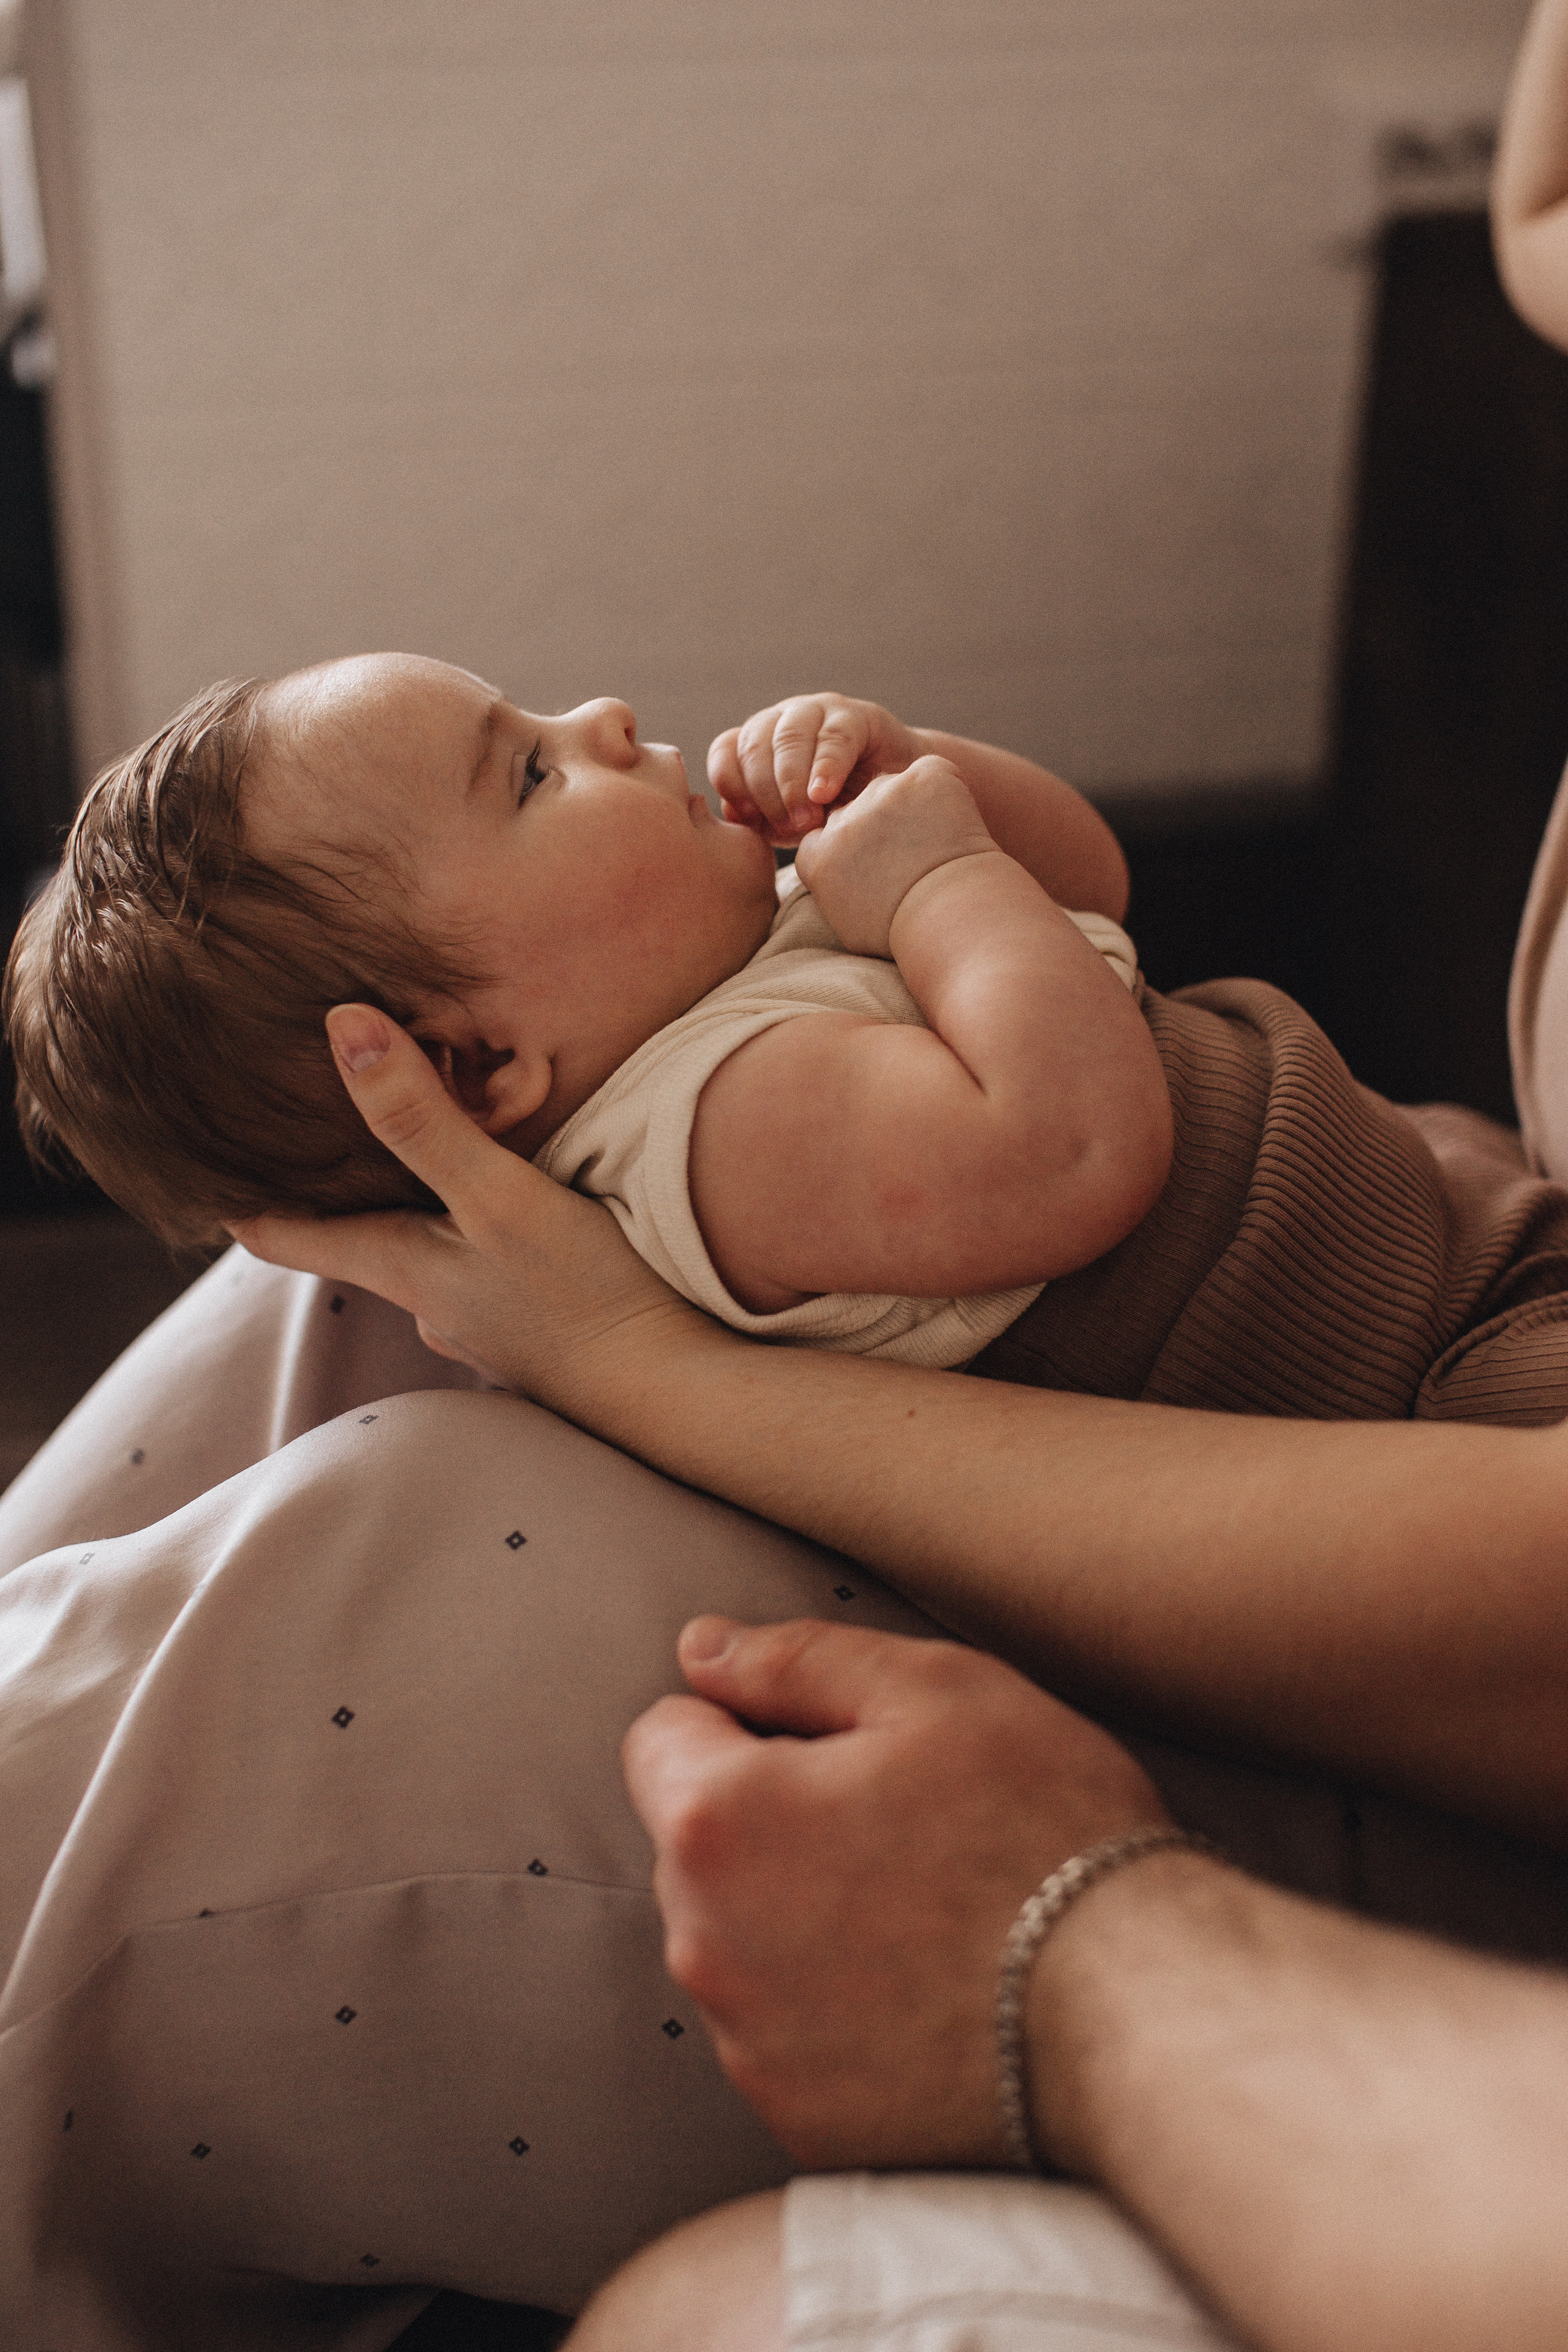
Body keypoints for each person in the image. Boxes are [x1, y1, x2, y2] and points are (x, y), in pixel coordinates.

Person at [15, 659, 1568, 1423]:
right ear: (485, 1068)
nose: (607, 716)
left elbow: (1086, 885)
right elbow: (1073, 1150)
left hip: (1417, 1207)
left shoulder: (741, 958)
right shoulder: (727, 1126)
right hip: (1431, 1367)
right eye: (536, 778)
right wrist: (937, 879)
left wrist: (909, 779)